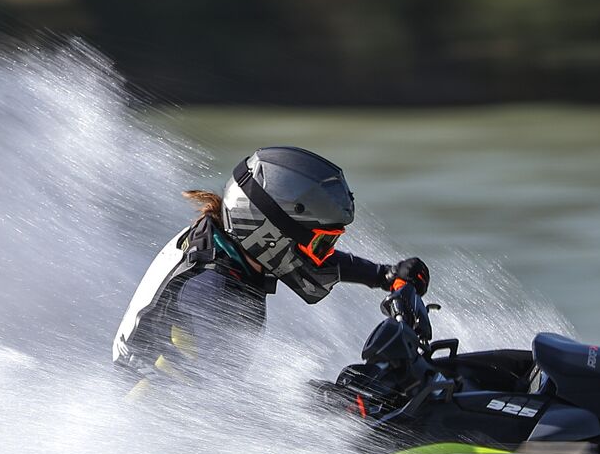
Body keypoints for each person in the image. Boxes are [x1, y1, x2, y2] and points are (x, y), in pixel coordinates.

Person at [112, 146, 429, 388]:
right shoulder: (212, 288)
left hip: (189, 404)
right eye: (321, 244)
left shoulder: (235, 244)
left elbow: (311, 259)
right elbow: (217, 394)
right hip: (157, 418)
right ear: (269, 233)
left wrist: (385, 275)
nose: (323, 256)